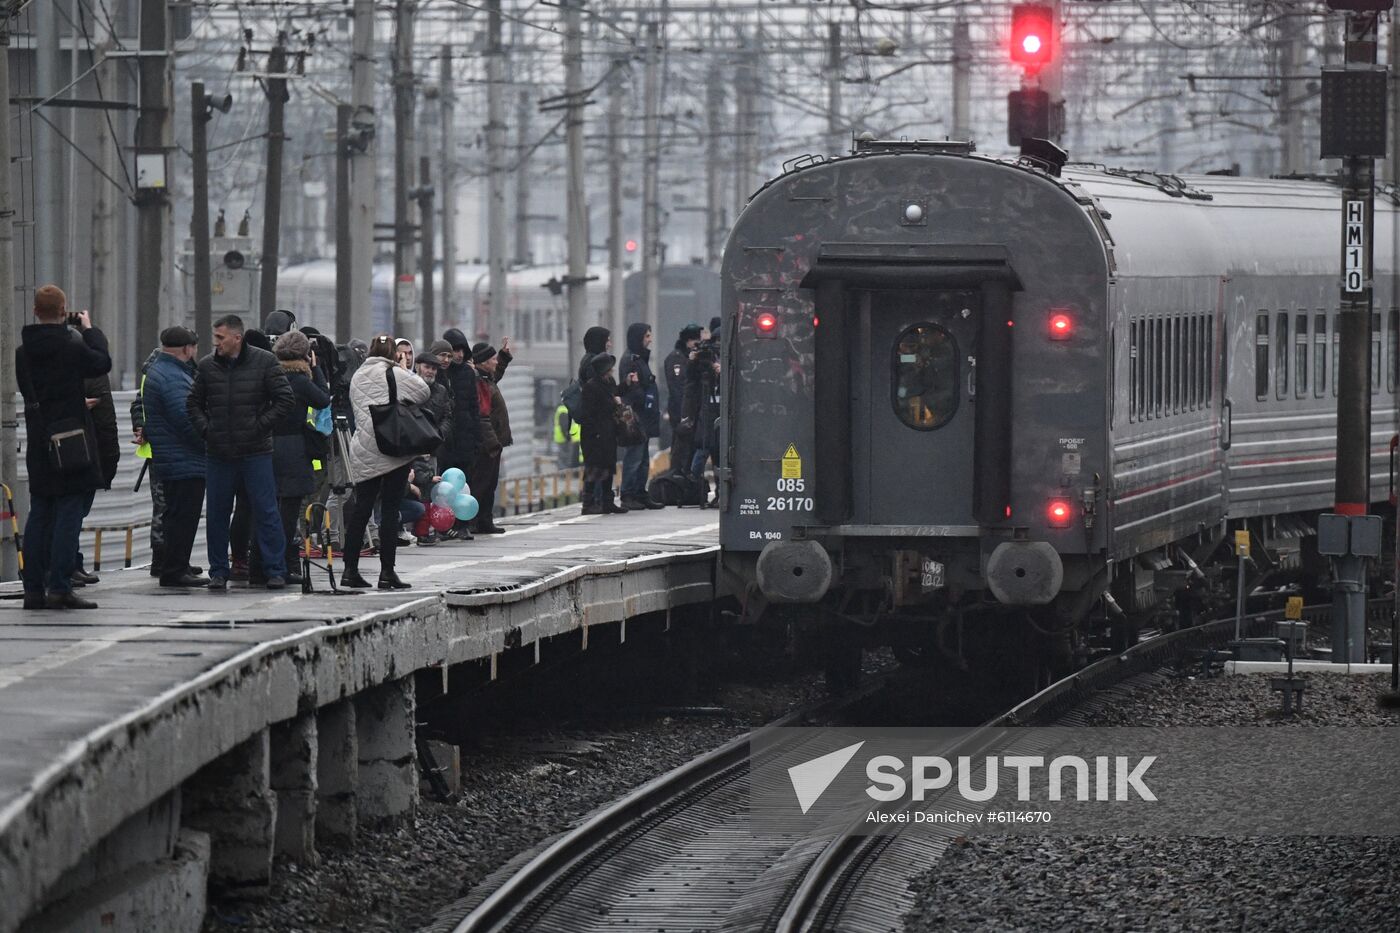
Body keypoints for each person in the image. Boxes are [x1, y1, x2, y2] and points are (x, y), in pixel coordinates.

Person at [15, 286, 112, 609]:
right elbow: (101, 363)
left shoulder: (22, 352)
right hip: (71, 441)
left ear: (34, 310)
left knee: (40, 513)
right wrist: (90, 330)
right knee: (69, 514)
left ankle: (32, 589)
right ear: (63, 311)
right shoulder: (71, 346)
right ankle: (59, 586)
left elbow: (34, 392)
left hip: (40, 441)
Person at [187, 314, 296, 590]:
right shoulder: (207, 366)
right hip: (219, 453)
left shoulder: (265, 362)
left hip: (255, 451)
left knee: (266, 511)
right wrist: (207, 430)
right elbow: (193, 404)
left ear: (237, 338)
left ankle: (275, 570)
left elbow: (285, 399)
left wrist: (260, 426)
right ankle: (219, 571)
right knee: (217, 514)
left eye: (221, 338)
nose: (216, 343)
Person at [341, 334, 431, 590]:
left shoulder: (358, 375)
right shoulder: (395, 373)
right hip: (392, 448)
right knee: (390, 511)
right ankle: (387, 572)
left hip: (363, 448)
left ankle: (349, 570)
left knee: (362, 509)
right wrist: (403, 369)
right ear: (393, 353)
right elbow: (423, 391)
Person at [263, 330, 333, 584]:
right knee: (289, 511)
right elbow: (323, 399)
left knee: (269, 507)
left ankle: (265, 563)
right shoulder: (302, 381)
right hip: (294, 449)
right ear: (306, 355)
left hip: (267, 447)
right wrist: (319, 369)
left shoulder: (270, 375)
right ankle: (282, 565)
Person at [141, 326, 207, 587]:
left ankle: (176, 565)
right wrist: (208, 441)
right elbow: (186, 419)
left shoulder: (163, 370)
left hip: (172, 457)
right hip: (183, 458)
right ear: (187, 349)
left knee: (175, 515)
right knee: (183, 516)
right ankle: (175, 570)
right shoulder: (173, 376)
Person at [75, 361, 121, 584]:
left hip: (88, 453)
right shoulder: (92, 372)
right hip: (84, 454)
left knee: (74, 513)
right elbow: (106, 422)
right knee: (71, 513)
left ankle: (72, 562)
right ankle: (67, 565)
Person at [437, 328, 482, 540]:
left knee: (464, 483)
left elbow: (474, 407)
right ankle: (444, 525)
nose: (459, 355)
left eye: (462, 350)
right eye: (455, 350)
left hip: (465, 437)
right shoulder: (438, 373)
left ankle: (463, 524)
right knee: (443, 485)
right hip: (444, 440)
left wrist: (476, 438)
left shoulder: (466, 373)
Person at [617, 323, 663, 511]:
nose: (650, 339)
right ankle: (628, 494)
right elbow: (632, 390)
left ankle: (639, 492)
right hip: (635, 416)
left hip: (645, 416)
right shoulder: (631, 360)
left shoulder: (640, 359)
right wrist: (642, 395)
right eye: (646, 336)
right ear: (638, 338)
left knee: (643, 457)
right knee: (634, 456)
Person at [470, 340, 513, 533]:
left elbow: (497, 374)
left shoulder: (487, 378)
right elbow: (482, 416)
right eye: (493, 359)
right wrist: (493, 443)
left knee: (490, 484)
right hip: (487, 445)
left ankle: (485, 521)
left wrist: (504, 356)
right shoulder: (479, 382)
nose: (496, 362)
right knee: (481, 484)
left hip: (493, 443)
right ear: (483, 362)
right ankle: (473, 521)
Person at [580, 353, 626, 515]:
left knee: (608, 467)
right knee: (594, 469)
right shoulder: (591, 386)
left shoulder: (609, 383)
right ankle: (588, 503)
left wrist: (626, 385)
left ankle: (608, 501)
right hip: (595, 435)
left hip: (608, 433)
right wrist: (613, 403)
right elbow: (592, 412)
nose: (612, 370)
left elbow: (614, 393)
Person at [682, 331, 723, 507]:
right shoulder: (700, 363)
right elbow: (690, 377)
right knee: (703, 445)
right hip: (705, 409)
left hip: (720, 409)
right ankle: (692, 483)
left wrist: (722, 372)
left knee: (719, 453)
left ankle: (721, 492)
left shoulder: (727, 359)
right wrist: (692, 360)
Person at [576, 326, 612, 511]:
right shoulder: (591, 364)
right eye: (607, 340)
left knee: (604, 462)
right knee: (595, 464)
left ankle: (605, 500)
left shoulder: (594, 361)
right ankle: (591, 501)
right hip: (595, 426)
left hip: (603, 425)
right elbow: (597, 396)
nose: (610, 344)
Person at [663, 324, 703, 474]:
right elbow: (678, 387)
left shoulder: (690, 358)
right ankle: (677, 476)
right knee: (681, 448)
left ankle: (686, 476)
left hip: (692, 410)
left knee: (691, 447)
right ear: (688, 341)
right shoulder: (677, 358)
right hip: (681, 411)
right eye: (695, 341)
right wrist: (684, 414)